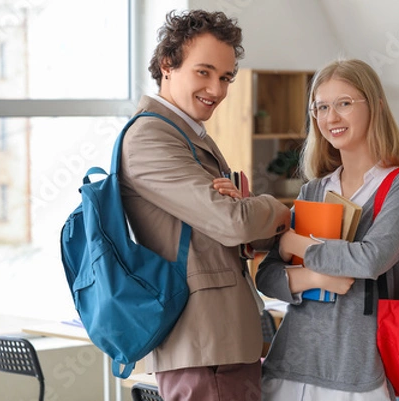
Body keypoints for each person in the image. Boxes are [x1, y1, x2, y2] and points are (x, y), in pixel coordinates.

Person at [119, 9, 291, 401]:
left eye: (226, 77)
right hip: (204, 345)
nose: (217, 89)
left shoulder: (188, 134)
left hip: (220, 343)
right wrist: (273, 209)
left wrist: (247, 217)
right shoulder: (151, 137)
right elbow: (233, 222)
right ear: (167, 65)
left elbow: (236, 228)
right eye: (204, 72)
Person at [255, 58, 399, 401]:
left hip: (358, 372)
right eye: (321, 107)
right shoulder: (314, 191)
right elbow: (267, 276)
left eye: (344, 104)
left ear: (375, 106)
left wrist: (296, 243)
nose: (331, 117)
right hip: (290, 364)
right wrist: (318, 279)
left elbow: (370, 260)